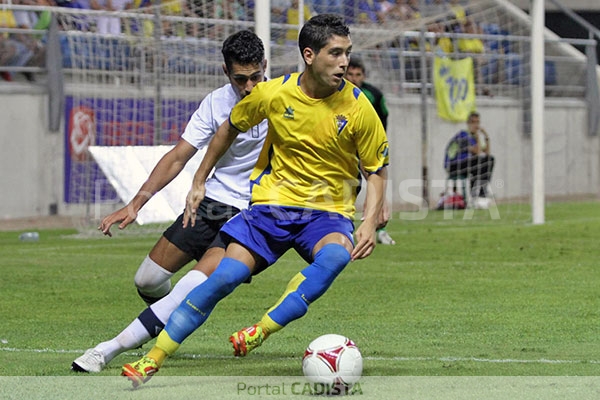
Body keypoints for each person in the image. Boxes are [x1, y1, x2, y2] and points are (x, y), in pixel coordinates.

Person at [121, 14, 389, 387]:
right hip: (270, 208)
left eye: (347, 53)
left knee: (336, 256)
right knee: (222, 278)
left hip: (327, 213)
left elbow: (375, 170)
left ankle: (261, 330)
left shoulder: (360, 108)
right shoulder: (272, 94)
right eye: (336, 53)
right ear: (309, 55)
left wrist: (370, 220)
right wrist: (200, 179)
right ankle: (153, 357)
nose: (345, 62)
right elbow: (229, 127)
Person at [70, 29, 268, 373]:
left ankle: (107, 349)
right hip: (210, 204)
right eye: (241, 79)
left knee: (191, 285)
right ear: (226, 73)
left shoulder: (281, 100)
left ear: (265, 66)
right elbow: (178, 156)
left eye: (256, 77)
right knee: (147, 280)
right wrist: (136, 203)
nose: (249, 86)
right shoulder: (216, 103)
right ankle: (174, 317)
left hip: (249, 213)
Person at [345, 56, 395, 245]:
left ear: (363, 76)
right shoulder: (336, 93)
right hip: (344, 145)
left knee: (376, 181)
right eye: (350, 74)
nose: (354, 78)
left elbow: (384, 115)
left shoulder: (373, 94)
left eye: (358, 75)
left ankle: (380, 228)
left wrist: (378, 142)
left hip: (366, 145)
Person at [443, 111, 494, 206]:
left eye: (477, 122)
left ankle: (480, 194)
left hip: (467, 164)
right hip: (453, 165)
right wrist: (478, 136)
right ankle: (477, 195)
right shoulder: (463, 135)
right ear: (468, 123)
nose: (476, 125)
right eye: (473, 122)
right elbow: (478, 152)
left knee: (489, 160)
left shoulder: (473, 137)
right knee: (478, 161)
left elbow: (487, 153)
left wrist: (486, 136)